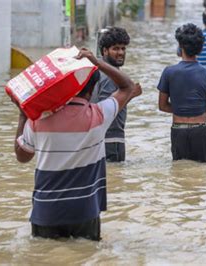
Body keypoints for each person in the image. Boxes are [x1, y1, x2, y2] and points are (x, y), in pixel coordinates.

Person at [13, 48, 142, 241]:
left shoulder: (39, 119)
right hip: (84, 211)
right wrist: (96, 62)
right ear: (91, 90)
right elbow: (129, 87)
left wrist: (24, 115)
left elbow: (22, 156)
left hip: (45, 211)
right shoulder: (99, 115)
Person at [157, 23, 206, 162]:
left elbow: (162, 106)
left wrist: (181, 108)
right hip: (200, 130)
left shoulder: (169, 72)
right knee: (202, 176)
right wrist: (196, 108)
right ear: (200, 48)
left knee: (179, 175)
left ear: (180, 47)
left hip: (178, 129)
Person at [91, 27, 133, 162]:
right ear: (104, 51)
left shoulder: (97, 70)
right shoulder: (111, 77)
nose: (121, 53)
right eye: (115, 49)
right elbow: (106, 110)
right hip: (111, 141)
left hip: (100, 139)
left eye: (123, 48)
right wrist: (131, 94)